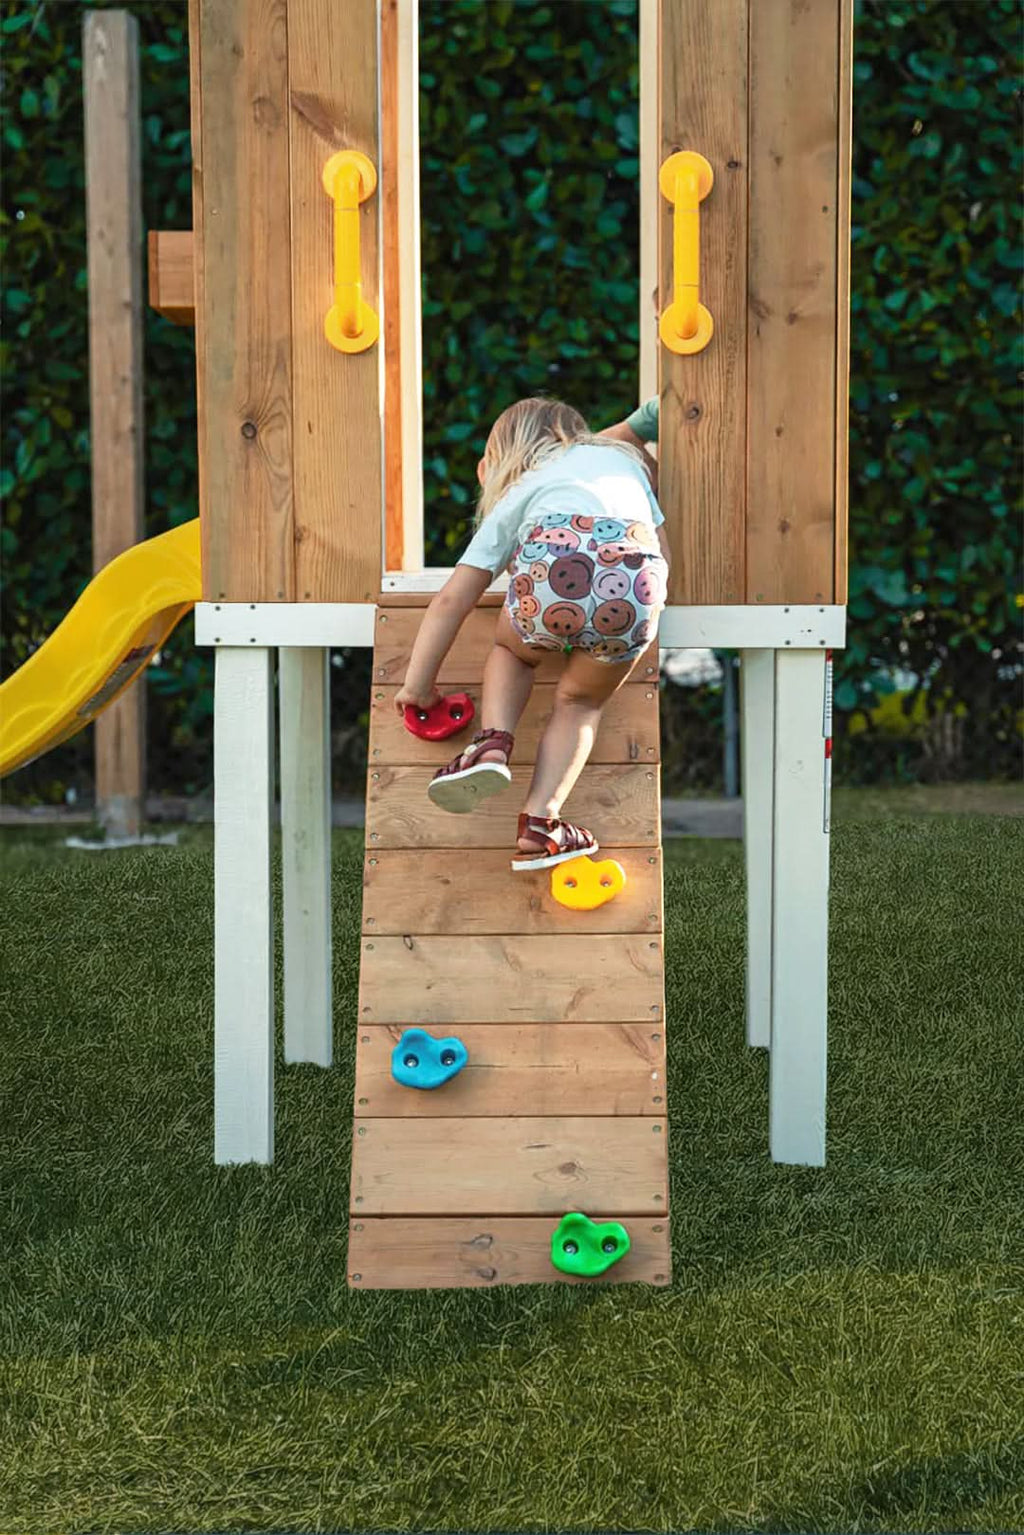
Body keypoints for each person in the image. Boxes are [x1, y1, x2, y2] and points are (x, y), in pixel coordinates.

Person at [394, 397, 670, 871]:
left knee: (512, 651)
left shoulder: (526, 481)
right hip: (633, 584)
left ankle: (493, 740)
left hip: (549, 576)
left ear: (502, 458)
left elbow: (452, 599)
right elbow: (662, 550)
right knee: (581, 704)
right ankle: (542, 821)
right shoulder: (622, 462)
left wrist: (417, 687)